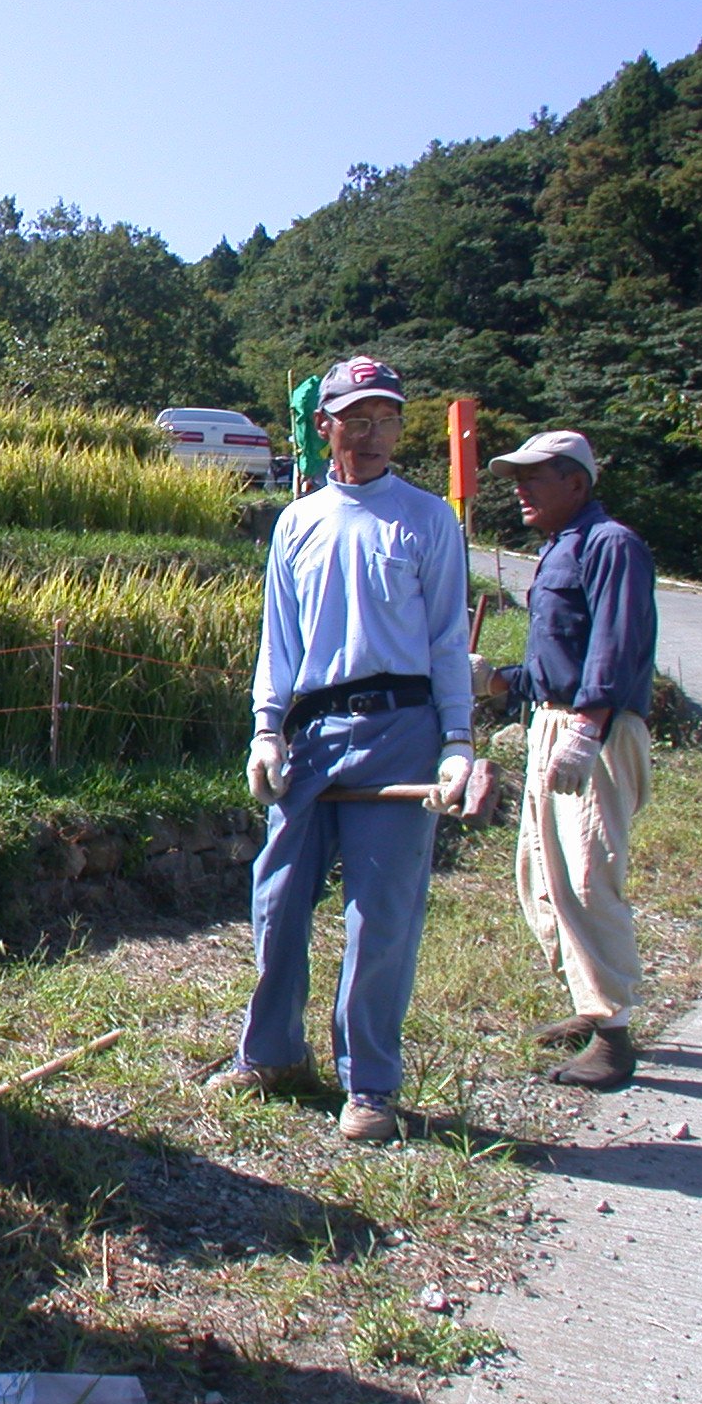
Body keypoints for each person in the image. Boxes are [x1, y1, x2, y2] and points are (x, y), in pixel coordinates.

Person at [210, 355, 474, 1142]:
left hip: (402, 727)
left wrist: (457, 741)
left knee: (380, 914)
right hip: (315, 732)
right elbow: (279, 640)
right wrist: (266, 728)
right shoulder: (298, 522)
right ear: (323, 425)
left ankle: (371, 1085)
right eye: (356, 419)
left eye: (385, 419)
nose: (371, 433)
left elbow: (447, 641)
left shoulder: (427, 519)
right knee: (278, 896)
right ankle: (271, 1053)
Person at [472, 431, 656, 1090]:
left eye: (535, 477)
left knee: (585, 876)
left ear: (576, 484)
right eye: (517, 478)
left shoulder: (611, 545)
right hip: (557, 721)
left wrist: (587, 728)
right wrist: (497, 680)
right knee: (540, 875)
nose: (520, 489)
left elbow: (614, 644)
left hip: (591, 731)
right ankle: (588, 1000)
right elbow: (557, 661)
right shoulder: (560, 548)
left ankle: (613, 1035)